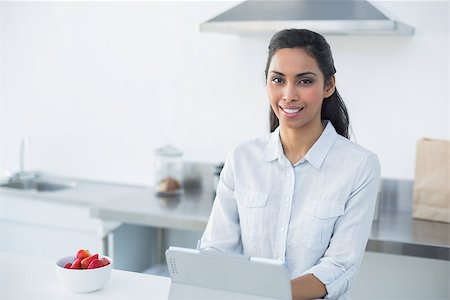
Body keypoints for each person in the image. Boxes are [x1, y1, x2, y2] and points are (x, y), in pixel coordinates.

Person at [200, 28, 381, 300]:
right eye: (278, 80)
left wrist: (267, 293)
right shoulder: (242, 158)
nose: (289, 94)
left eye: (305, 81)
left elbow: (339, 267)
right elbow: (216, 249)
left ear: (328, 85)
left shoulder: (359, 166)